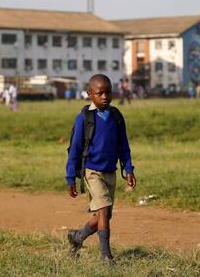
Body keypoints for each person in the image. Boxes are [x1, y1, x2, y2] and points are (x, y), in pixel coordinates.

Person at [66, 74, 136, 262]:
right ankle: (106, 256)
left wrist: (128, 168)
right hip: (92, 172)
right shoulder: (84, 118)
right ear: (90, 94)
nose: (105, 97)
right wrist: (70, 177)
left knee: (104, 216)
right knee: (104, 209)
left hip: (110, 172)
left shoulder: (116, 116)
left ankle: (77, 237)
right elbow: (75, 149)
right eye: (100, 93)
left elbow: (124, 145)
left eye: (108, 92)